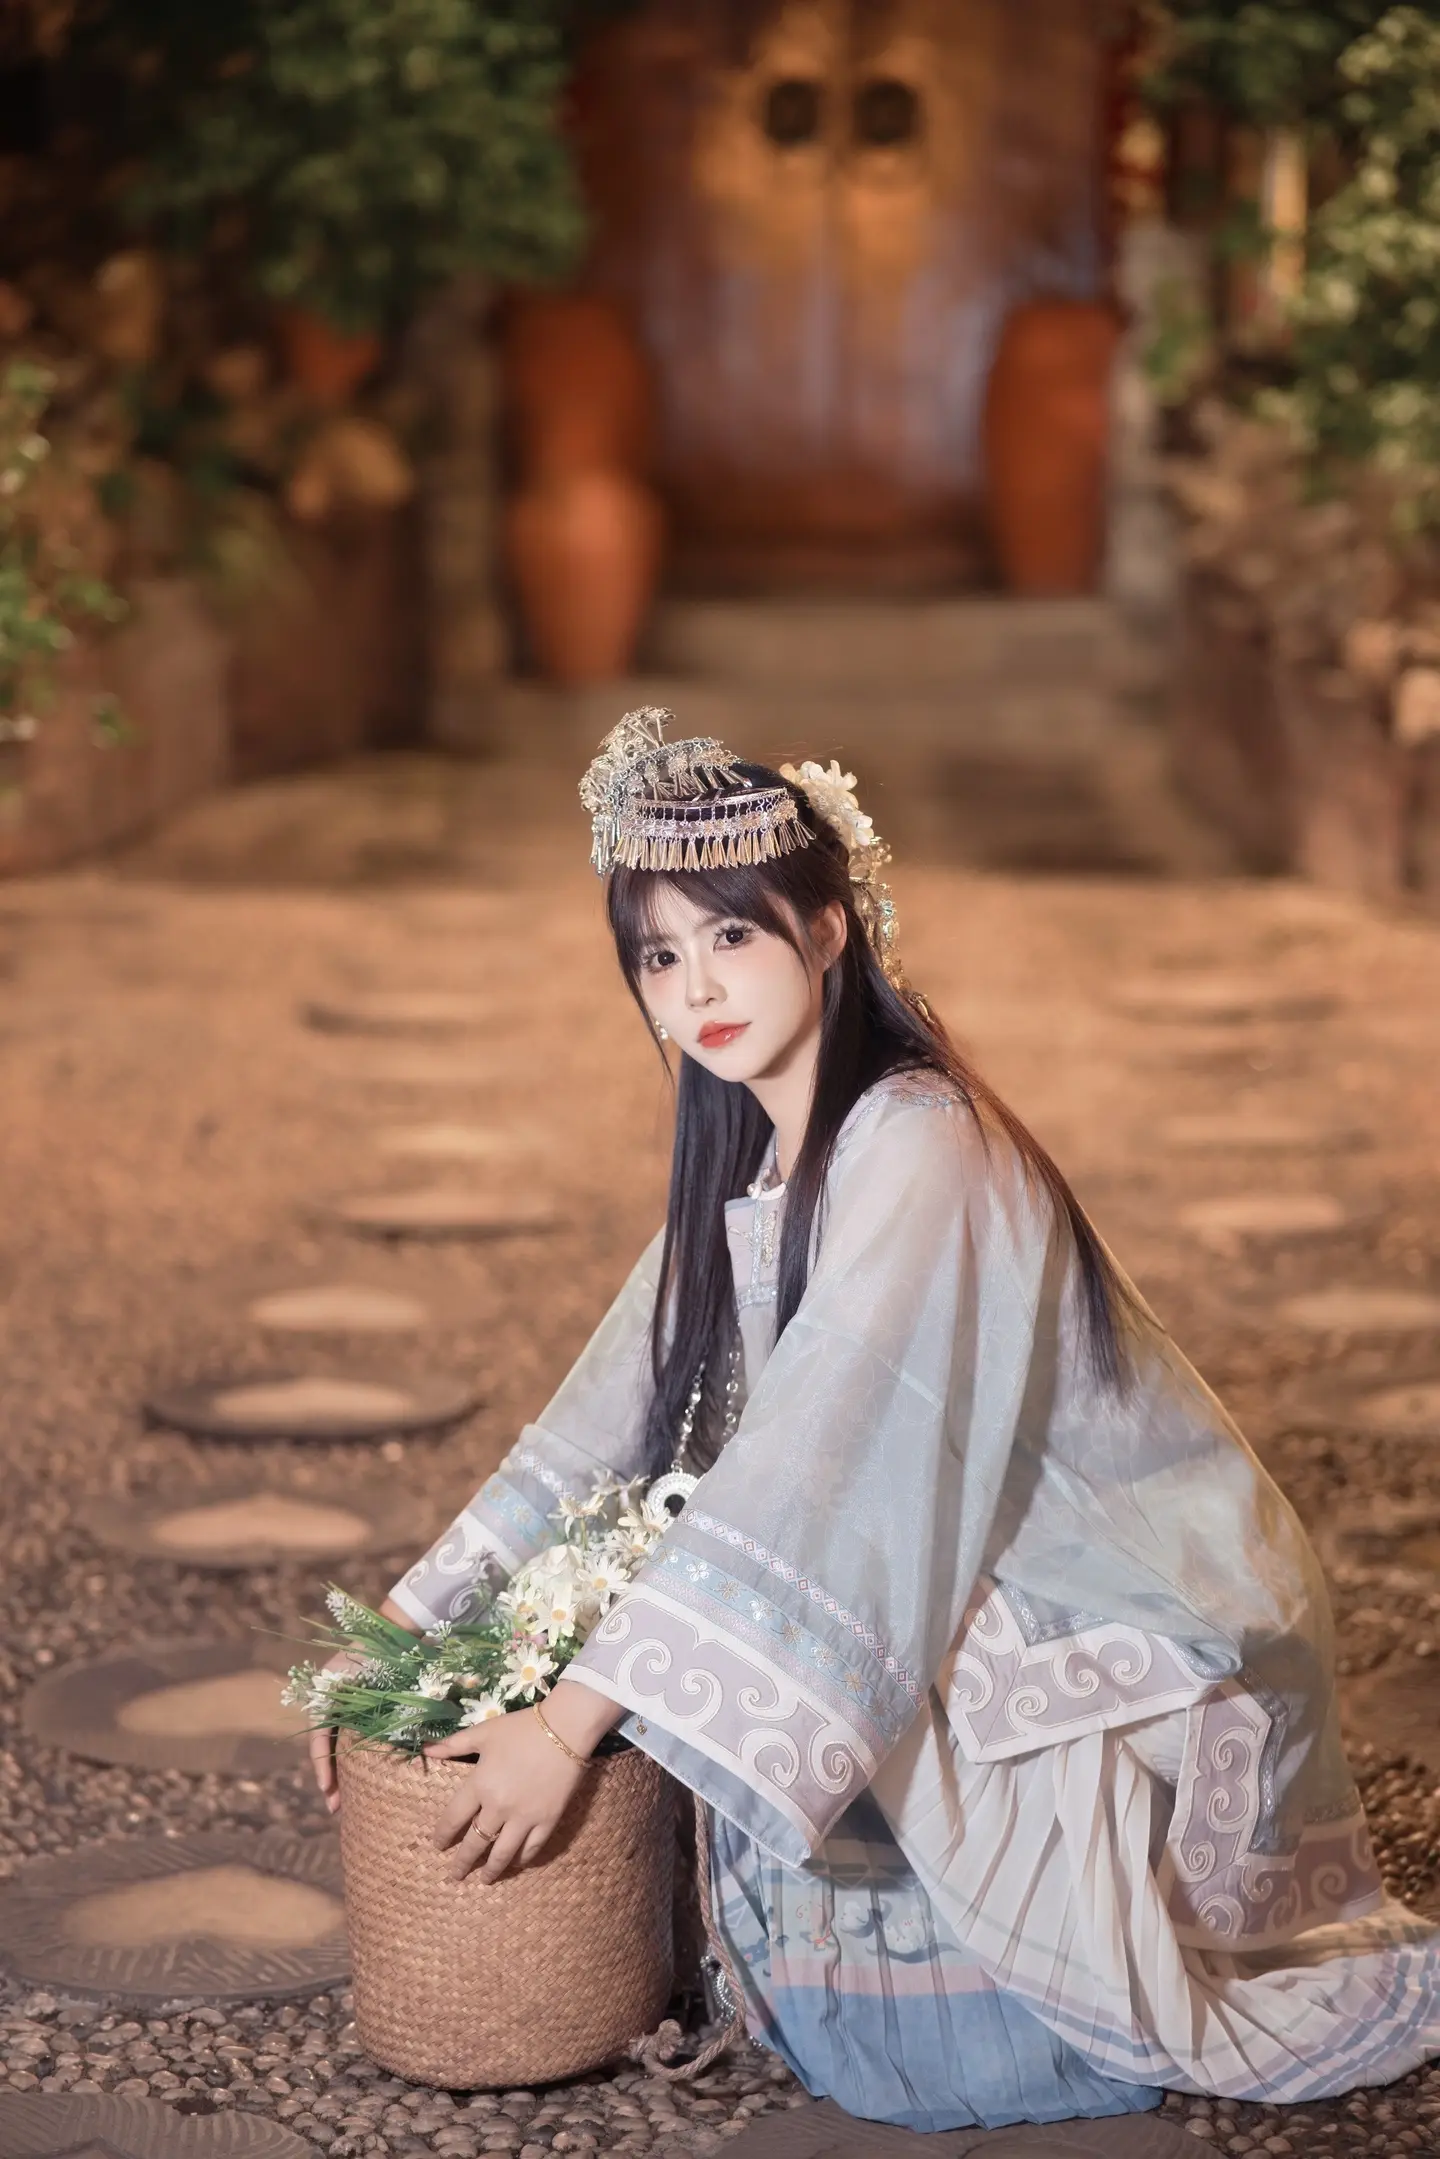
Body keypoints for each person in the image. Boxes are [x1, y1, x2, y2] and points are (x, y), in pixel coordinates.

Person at [310, 708, 1439, 2133]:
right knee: (760, 1582)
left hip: (1120, 1607)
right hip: (956, 1566)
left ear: (830, 929)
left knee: (822, 1592)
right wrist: (397, 1635)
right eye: (657, 955)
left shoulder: (920, 1140)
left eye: (732, 934)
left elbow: (813, 1474)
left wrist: (571, 1720)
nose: (696, 987)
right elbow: (600, 1420)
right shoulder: (759, 1159)